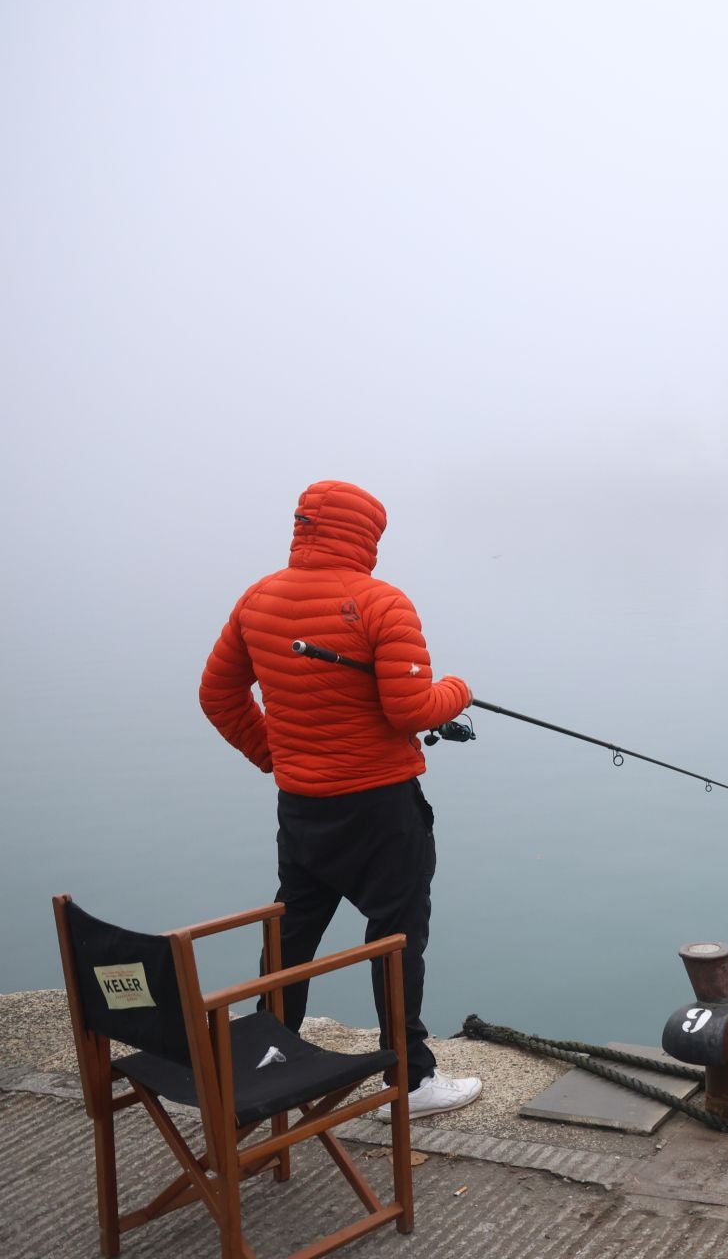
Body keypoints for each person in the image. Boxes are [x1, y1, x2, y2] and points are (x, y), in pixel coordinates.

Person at [200, 479, 483, 1118]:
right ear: (366, 536)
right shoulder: (381, 602)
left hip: (303, 808)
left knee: (292, 931)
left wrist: (276, 755)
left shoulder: (259, 598)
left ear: (303, 527)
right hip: (381, 809)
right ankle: (409, 1081)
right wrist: (458, 689)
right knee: (396, 936)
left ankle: (266, 1056)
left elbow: (218, 696)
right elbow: (411, 708)